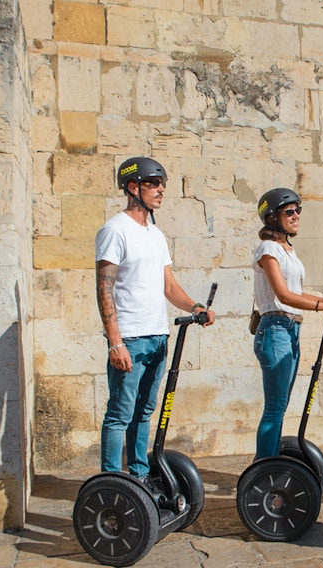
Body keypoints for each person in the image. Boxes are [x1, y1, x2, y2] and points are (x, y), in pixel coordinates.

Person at [95, 156, 216, 485]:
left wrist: (196, 306)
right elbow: (104, 290)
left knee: (144, 413)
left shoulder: (155, 234)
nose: (161, 189)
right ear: (133, 188)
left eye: (162, 183)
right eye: (153, 183)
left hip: (157, 337)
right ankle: (111, 483)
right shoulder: (114, 230)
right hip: (130, 340)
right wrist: (115, 341)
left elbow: (169, 286)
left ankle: (139, 476)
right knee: (120, 413)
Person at [252, 187, 323, 460]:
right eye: (289, 211)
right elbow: (284, 296)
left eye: (298, 210)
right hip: (275, 330)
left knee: (280, 406)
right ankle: (263, 468)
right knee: (274, 407)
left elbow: (297, 292)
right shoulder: (268, 249)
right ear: (272, 217)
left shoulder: (288, 250)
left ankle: (269, 463)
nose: (296, 215)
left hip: (291, 330)